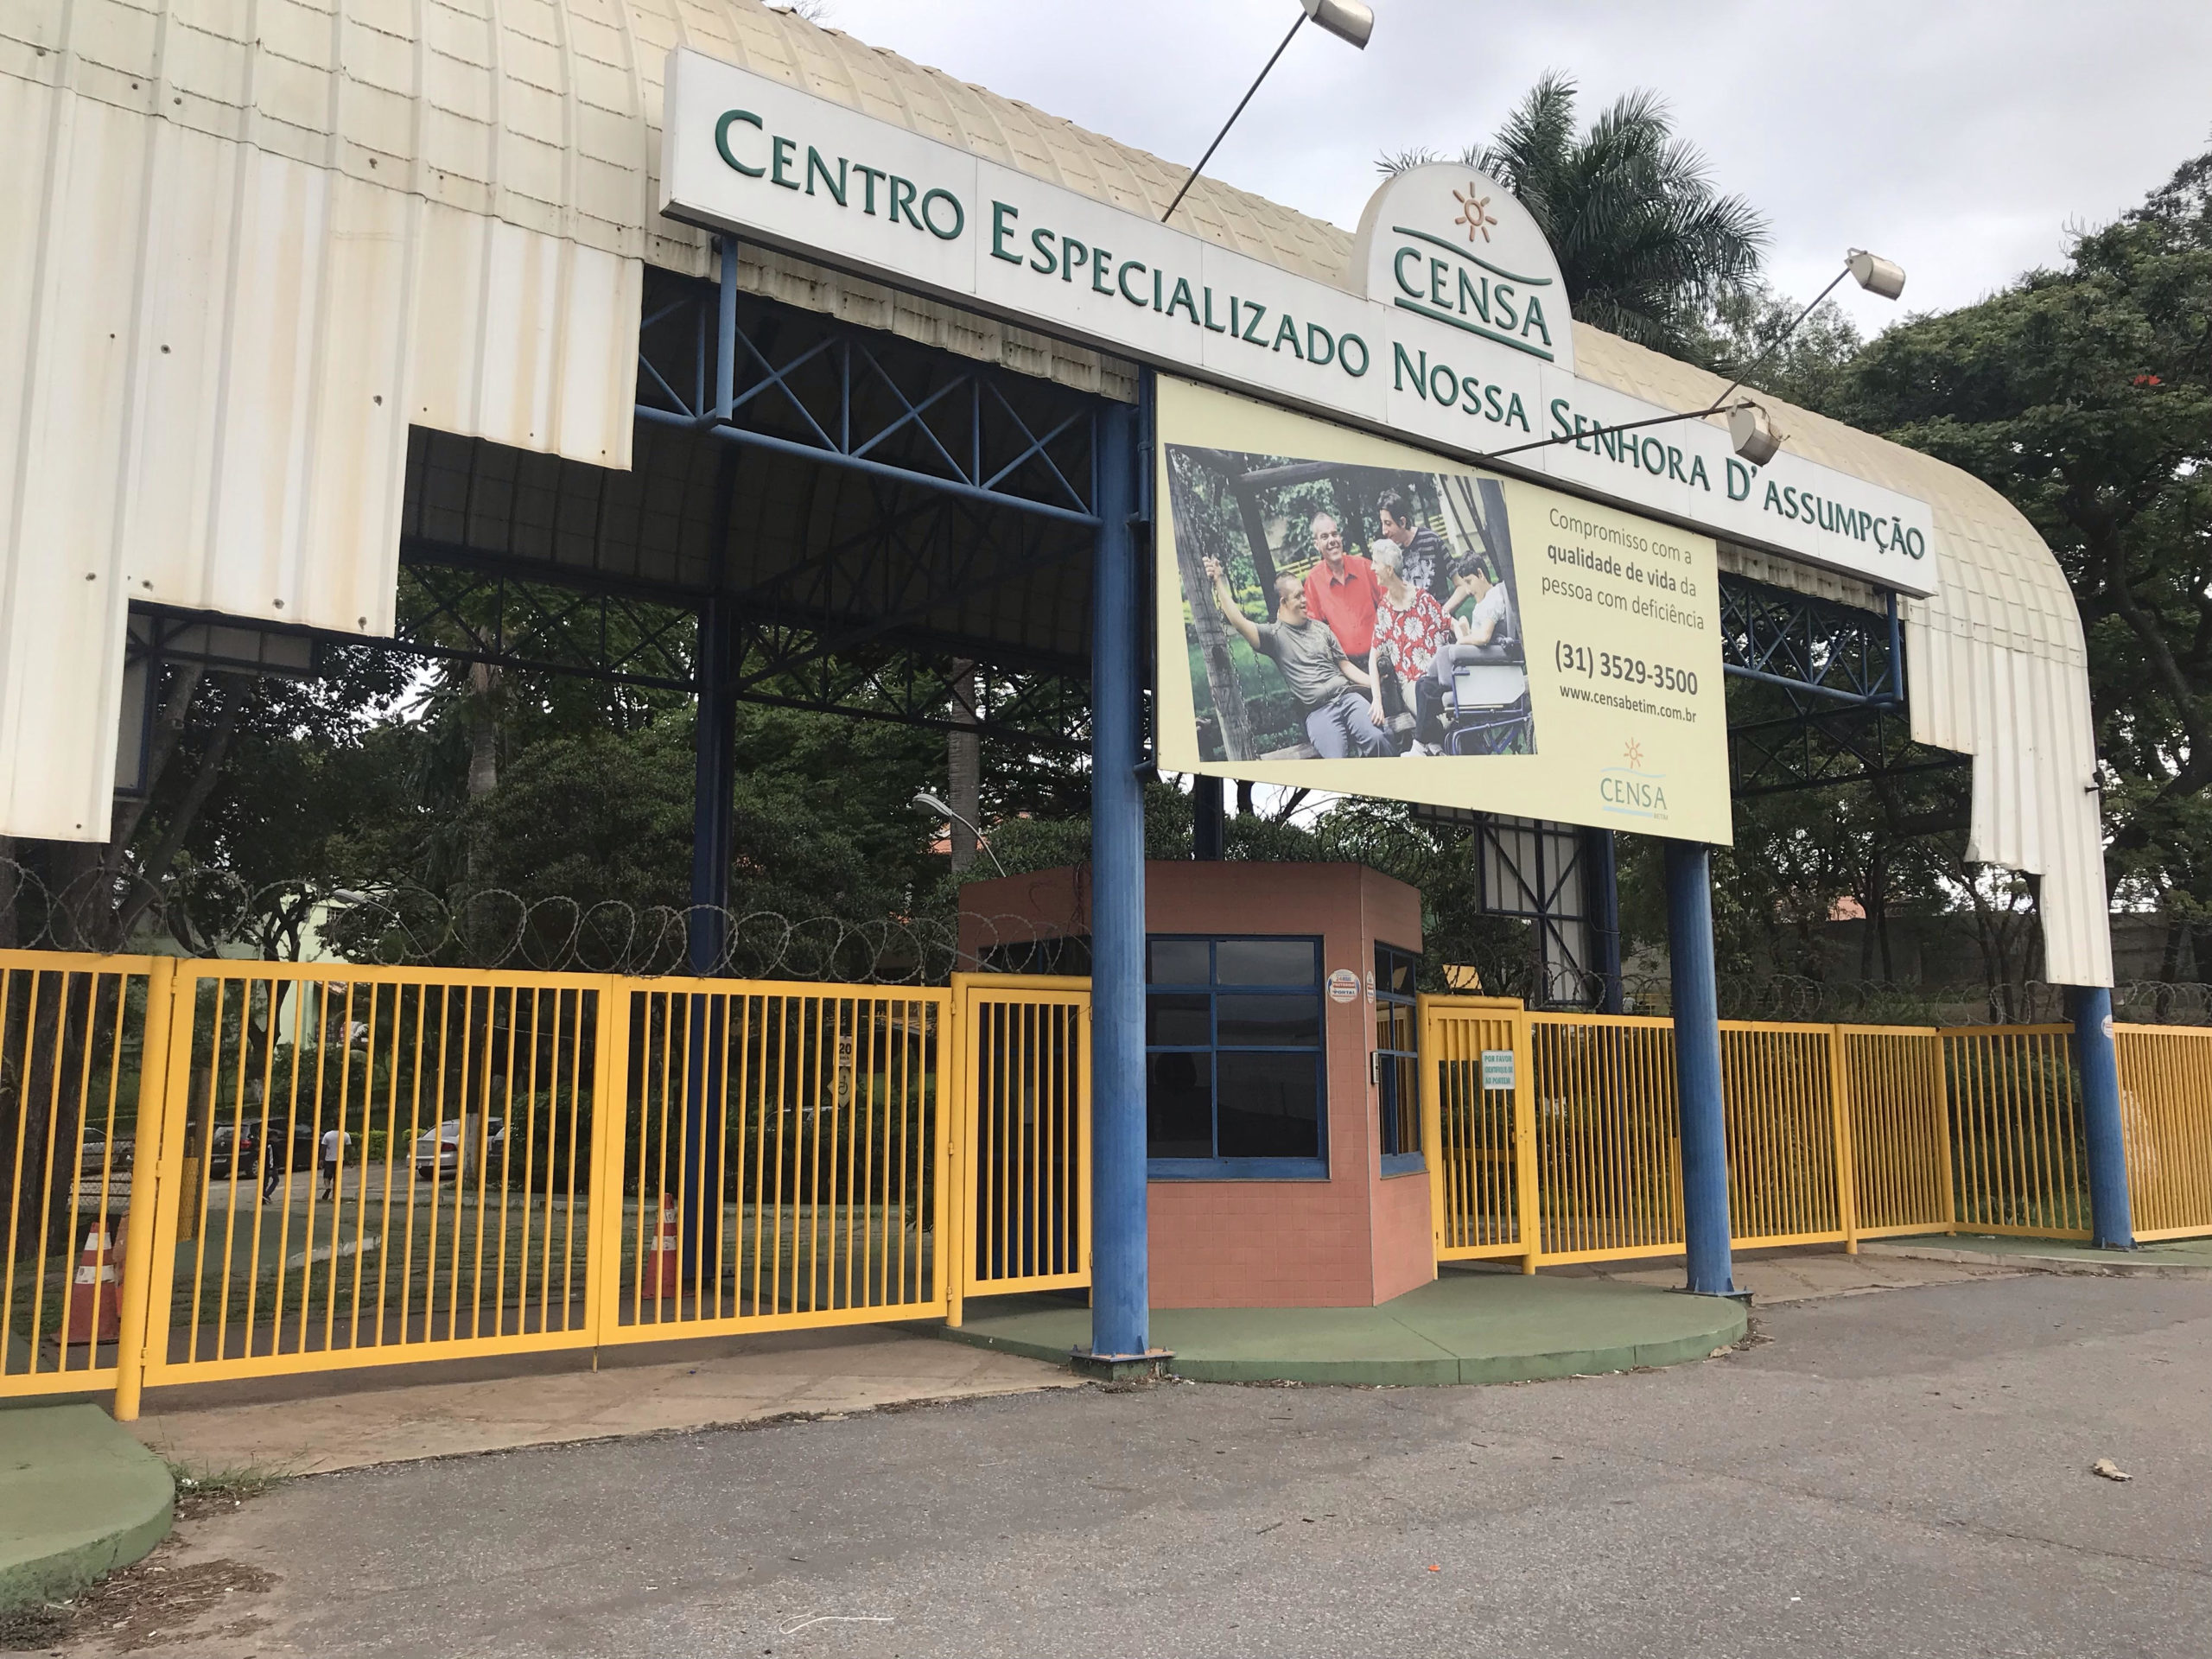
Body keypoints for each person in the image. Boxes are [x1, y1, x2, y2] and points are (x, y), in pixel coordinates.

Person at [1204, 555, 1393, 759]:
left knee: (1378, 738)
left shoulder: (1320, 629)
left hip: (1348, 698)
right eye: (1298, 596)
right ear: (1283, 602)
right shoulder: (1274, 637)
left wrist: (1374, 683)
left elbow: (1345, 665)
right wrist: (1218, 582)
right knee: (1337, 760)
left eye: (1304, 594)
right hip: (1319, 712)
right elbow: (1239, 622)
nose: (1305, 600)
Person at [1368, 543, 1456, 754]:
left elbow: (1451, 623)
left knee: (1443, 710)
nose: (1372, 568)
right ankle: (1432, 746)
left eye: (1375, 563)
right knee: (1441, 717)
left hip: (1438, 677)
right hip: (1412, 683)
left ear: (1389, 569)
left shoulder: (1422, 598)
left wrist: (1462, 645)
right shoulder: (1385, 611)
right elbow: (1373, 658)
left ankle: (1428, 748)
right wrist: (1377, 701)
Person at [1297, 512, 1383, 666]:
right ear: (1316, 544)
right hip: (1346, 668)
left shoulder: (1365, 567)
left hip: (1381, 658)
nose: (1332, 541)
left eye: (1334, 534)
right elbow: (1314, 631)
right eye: (1324, 537)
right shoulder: (1313, 582)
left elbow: (1389, 606)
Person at [1376, 489, 1455, 604]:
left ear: (1402, 522)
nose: (1384, 531)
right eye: (1382, 523)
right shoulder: (1393, 554)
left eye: (1388, 524)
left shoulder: (1431, 540)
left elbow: (1462, 586)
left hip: (1442, 618)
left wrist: (1442, 614)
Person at [318, 1125, 351, 1202]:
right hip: (340, 1160)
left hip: (329, 1160)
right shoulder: (345, 1135)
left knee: (326, 1176)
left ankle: (327, 1187)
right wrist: (350, 1159)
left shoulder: (328, 1135)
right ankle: (334, 1197)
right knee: (337, 1179)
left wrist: (321, 1159)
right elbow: (349, 1149)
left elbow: (323, 1148)